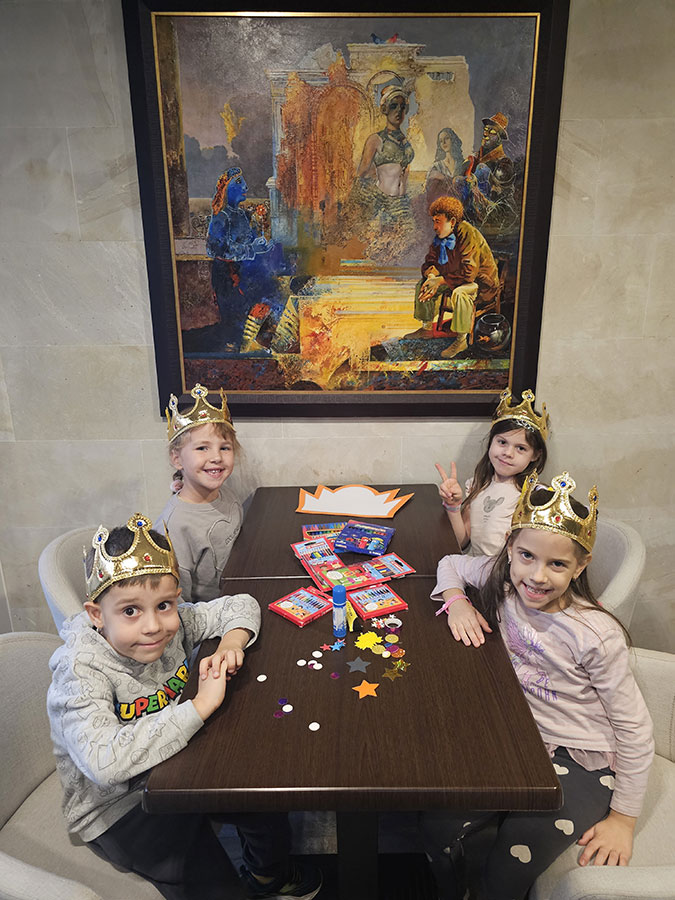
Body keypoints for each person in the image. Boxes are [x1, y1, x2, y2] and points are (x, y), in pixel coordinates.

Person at [47, 513, 322, 900]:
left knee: (263, 801)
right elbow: (103, 763)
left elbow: (241, 605)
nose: (153, 626)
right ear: (96, 615)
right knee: (212, 883)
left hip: (178, 765)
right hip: (120, 808)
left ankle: (267, 876)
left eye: (164, 605)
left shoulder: (171, 626)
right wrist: (199, 706)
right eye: (130, 611)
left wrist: (231, 643)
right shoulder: (79, 670)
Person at [423, 471, 654, 900]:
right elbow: (450, 563)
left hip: (581, 755)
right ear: (510, 547)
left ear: (581, 565)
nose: (537, 576)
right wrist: (456, 603)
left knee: (511, 863)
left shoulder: (595, 634)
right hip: (518, 734)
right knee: (438, 824)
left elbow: (634, 729)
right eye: (527, 556)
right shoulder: (501, 578)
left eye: (557, 564)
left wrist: (623, 818)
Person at [436, 387, 548, 557]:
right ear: (491, 441)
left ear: (535, 455)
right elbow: (461, 542)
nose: (508, 453)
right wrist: (453, 506)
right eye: (502, 442)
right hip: (474, 567)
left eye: (520, 448)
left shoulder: (534, 495)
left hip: (509, 571)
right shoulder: (477, 485)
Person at [159, 382, 243, 604]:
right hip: (210, 614)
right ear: (177, 459)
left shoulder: (228, 495)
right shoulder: (175, 527)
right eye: (202, 448)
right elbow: (177, 602)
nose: (216, 457)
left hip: (241, 591)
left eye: (224, 448)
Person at [411, 196, 500, 358]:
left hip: (481, 283)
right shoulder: (441, 237)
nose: (435, 227)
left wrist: (440, 280)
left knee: (460, 293)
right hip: (457, 278)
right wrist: (431, 277)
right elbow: (430, 262)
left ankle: (461, 340)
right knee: (423, 283)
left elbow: (469, 273)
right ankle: (426, 328)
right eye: (433, 221)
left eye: (438, 221)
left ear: (452, 221)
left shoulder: (468, 234)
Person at [206, 166, 275, 352]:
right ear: (227, 189)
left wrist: (261, 246)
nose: (245, 186)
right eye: (239, 183)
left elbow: (249, 242)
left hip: (245, 273)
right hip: (227, 276)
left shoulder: (241, 215)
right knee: (233, 320)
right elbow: (215, 249)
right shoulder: (221, 217)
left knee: (251, 318)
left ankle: (247, 348)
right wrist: (251, 249)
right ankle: (232, 351)